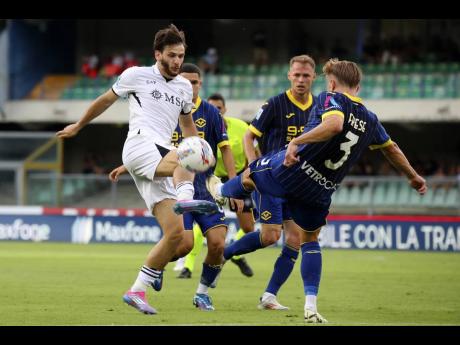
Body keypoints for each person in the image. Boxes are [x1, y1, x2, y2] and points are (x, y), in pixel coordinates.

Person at [206, 58, 427, 323]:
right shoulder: (370, 119)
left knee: (252, 173)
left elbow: (333, 124)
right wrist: (413, 177)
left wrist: (296, 142)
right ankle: (310, 305)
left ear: (331, 82)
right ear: (358, 85)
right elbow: (392, 149)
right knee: (309, 240)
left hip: (293, 172)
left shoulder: (330, 97)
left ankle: (221, 192)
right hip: (322, 189)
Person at [57, 24, 217, 315]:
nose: (177, 61)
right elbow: (105, 100)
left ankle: (138, 288)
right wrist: (79, 125)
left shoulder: (183, 87)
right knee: (186, 157)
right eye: (172, 55)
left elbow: (187, 127)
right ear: (158, 54)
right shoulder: (136, 75)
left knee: (178, 240)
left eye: (181, 55)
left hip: (160, 156)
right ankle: (186, 200)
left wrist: (200, 149)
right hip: (140, 145)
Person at [217, 55, 317, 310]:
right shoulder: (275, 104)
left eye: (306, 75)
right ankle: (224, 255)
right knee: (271, 236)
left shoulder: (320, 108)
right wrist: (254, 167)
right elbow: (250, 137)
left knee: (294, 238)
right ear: (289, 75)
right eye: (296, 75)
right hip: (271, 180)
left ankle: (269, 296)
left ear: (314, 77)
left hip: (298, 183)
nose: (301, 80)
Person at [169, 63, 242, 310]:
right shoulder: (166, 109)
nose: (190, 86)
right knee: (185, 245)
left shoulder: (211, 113)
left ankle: (202, 293)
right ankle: (155, 266)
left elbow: (225, 149)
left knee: (218, 244)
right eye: (185, 81)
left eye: (194, 82)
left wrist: (234, 185)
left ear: (200, 84)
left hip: (205, 188)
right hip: (175, 186)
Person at [176, 93, 255, 279]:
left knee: (249, 226)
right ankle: (187, 266)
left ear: (224, 109)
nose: (216, 111)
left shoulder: (241, 127)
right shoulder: (200, 124)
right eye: (212, 107)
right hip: (212, 179)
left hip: (235, 178)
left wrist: (249, 174)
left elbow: (253, 150)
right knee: (203, 223)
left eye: (219, 108)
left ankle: (234, 252)